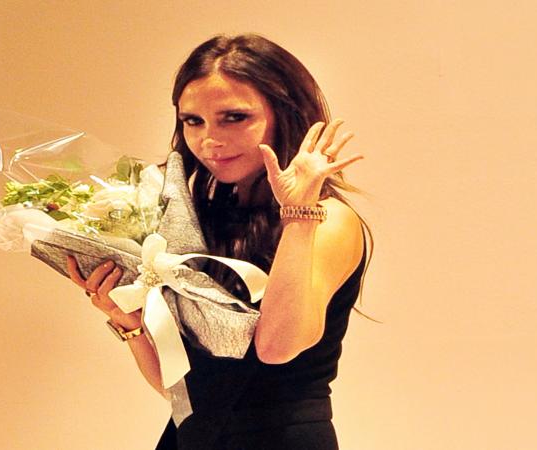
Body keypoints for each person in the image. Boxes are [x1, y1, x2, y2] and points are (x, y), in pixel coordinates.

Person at [66, 33, 371, 450]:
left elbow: (276, 347)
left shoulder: (327, 220)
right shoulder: (201, 216)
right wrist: (130, 322)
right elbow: (187, 395)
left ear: (285, 114)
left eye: (234, 118)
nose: (210, 139)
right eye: (193, 121)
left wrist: (298, 214)